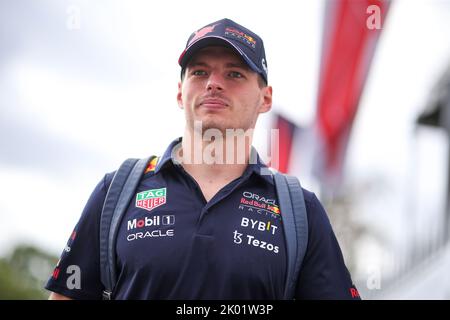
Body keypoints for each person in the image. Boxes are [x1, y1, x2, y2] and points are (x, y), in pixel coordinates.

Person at [46, 18, 360, 300]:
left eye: (234, 73)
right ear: (181, 93)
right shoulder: (117, 190)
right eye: (199, 72)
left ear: (265, 99)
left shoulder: (300, 210)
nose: (213, 83)